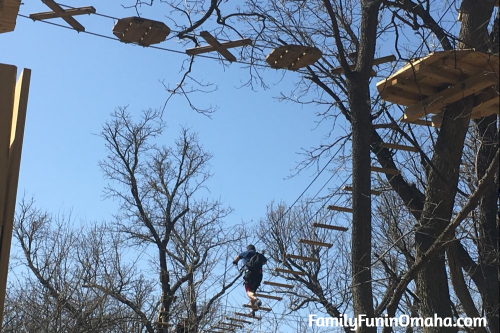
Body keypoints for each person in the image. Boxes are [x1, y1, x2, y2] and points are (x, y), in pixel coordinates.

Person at [233, 244, 267, 316]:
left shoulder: (246, 253)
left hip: (249, 274)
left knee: (248, 292)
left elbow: (237, 257)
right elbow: (264, 262)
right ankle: (252, 310)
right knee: (252, 292)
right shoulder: (259, 255)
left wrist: (235, 262)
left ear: (248, 249)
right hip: (258, 276)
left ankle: (256, 299)